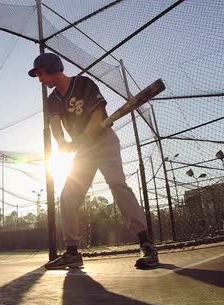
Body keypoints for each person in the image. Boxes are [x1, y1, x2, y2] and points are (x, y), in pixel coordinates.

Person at [28, 53, 159, 270]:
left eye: (41, 73)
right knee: (68, 197)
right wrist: (62, 143)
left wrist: (82, 140)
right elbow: (55, 124)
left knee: (118, 186)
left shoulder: (83, 83)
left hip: (104, 141)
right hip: (84, 153)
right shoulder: (53, 100)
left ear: (52, 67)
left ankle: (146, 244)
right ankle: (72, 253)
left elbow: (98, 117)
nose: (40, 79)